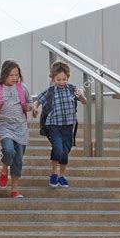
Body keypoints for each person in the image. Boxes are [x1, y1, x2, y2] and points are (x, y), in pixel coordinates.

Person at [32, 60, 87, 188]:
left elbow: (84, 102)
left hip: (68, 126)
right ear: (53, 79)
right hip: (54, 126)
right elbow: (38, 100)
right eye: (58, 79)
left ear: (67, 77)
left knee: (65, 152)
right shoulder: (50, 91)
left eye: (64, 79)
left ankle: (62, 176)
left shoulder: (73, 89)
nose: (61, 82)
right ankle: (54, 174)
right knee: (58, 148)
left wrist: (82, 96)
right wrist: (35, 107)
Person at [0, 59, 32, 198]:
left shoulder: (23, 88)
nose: (14, 78)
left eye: (16, 75)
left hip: (20, 127)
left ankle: (14, 189)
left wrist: (28, 107)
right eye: (11, 75)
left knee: (18, 160)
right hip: (4, 126)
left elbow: (30, 103)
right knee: (9, 150)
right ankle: (4, 169)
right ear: (4, 75)